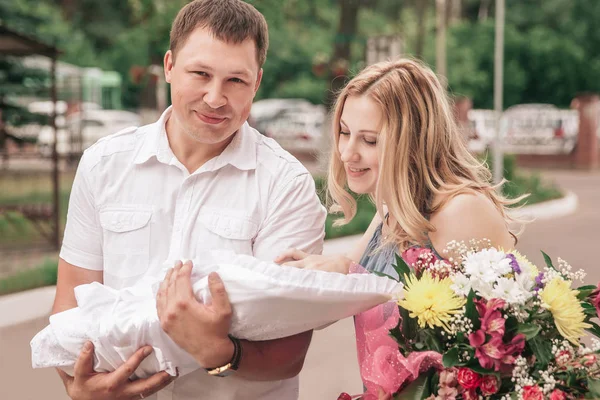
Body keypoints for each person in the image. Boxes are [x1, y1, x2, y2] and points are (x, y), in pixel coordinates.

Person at [51, 1, 326, 399]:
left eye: (236, 80)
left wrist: (217, 350)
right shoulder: (103, 165)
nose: (215, 98)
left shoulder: (286, 185)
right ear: (169, 66)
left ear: (258, 82)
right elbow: (69, 309)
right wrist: (82, 387)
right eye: (201, 74)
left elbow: (287, 354)